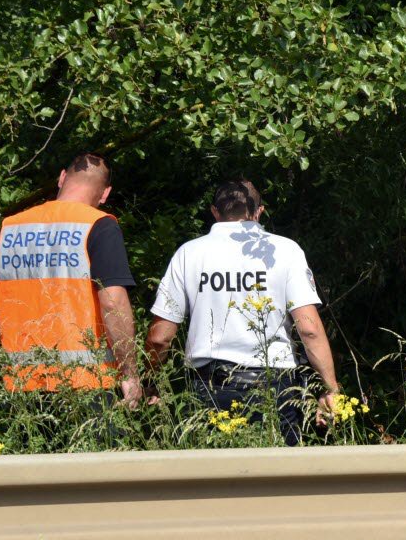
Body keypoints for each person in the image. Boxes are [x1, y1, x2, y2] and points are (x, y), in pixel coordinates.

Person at [0, 152, 143, 407]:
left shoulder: (13, 227)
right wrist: (129, 374)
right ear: (105, 194)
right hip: (86, 384)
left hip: (24, 387)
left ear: (62, 178)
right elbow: (112, 302)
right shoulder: (98, 226)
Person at [145, 179, 338, 444]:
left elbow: (160, 337)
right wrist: (330, 389)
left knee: (213, 480)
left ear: (215, 212)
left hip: (208, 388)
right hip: (275, 388)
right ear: (259, 212)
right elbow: (309, 329)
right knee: (276, 479)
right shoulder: (285, 251)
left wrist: (148, 382)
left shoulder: (189, 254)